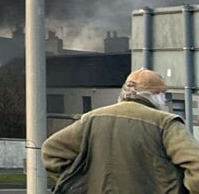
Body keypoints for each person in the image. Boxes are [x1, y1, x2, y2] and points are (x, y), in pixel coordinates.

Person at [42, 68, 199, 193]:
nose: (165, 100)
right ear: (156, 95)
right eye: (164, 95)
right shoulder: (165, 123)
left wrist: (80, 184)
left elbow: (51, 150)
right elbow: (196, 164)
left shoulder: (91, 119)